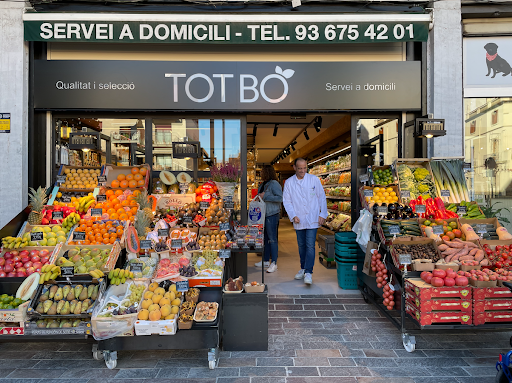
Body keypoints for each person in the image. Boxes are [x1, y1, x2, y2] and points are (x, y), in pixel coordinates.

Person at [283, 158, 328, 285]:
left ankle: (309, 272)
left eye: (304, 168)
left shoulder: (314, 179)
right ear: (294, 168)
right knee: (301, 246)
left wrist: (322, 213)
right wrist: (292, 215)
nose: (302, 171)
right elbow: (286, 201)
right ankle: (303, 268)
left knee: (310, 245)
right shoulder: (289, 183)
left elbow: (321, 197)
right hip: (299, 218)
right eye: (300, 168)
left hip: (313, 218)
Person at [254, 165, 283, 273]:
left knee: (272, 239)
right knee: (265, 239)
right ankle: (266, 260)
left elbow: (280, 198)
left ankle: (274, 263)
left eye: (262, 171)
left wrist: (265, 196)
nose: (261, 173)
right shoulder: (262, 184)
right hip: (263, 215)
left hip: (271, 214)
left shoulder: (274, 184)